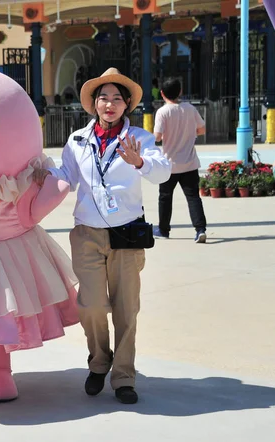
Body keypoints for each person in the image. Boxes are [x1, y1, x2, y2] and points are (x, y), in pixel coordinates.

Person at [33, 68, 171, 404]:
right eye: (103, 98)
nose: (109, 104)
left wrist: (139, 162)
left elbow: (163, 169)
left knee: (126, 308)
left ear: (126, 105)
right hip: (87, 234)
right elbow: (66, 175)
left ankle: (123, 376)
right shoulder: (78, 139)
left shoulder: (139, 137)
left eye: (116, 99)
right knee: (91, 305)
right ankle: (99, 362)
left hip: (126, 234)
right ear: (94, 104)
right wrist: (41, 175)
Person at [153, 77, 208, 243]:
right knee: (193, 197)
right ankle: (200, 229)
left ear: (162, 93)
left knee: (165, 197)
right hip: (190, 163)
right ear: (180, 92)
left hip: (169, 164)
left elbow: (157, 137)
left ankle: (163, 229)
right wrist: (188, 134)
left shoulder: (163, 112)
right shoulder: (190, 109)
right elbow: (202, 129)